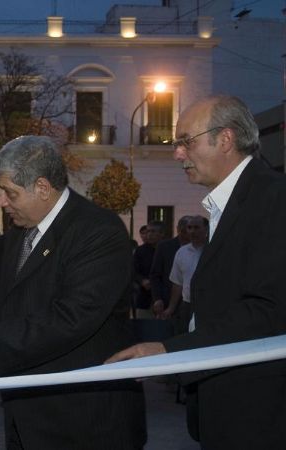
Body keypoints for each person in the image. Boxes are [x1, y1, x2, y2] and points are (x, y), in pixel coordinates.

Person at [109, 95, 286, 449]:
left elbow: (269, 310)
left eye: (186, 142)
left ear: (225, 139)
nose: (177, 154)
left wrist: (170, 350)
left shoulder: (273, 198)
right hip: (224, 402)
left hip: (257, 409)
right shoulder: (231, 203)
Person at [0, 136, 146, 450]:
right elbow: (6, 312)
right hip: (23, 418)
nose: (1, 201)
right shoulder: (7, 244)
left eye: (9, 192)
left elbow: (74, 316)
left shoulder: (98, 231)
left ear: (42, 187)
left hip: (85, 421)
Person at [158, 216, 208, 335]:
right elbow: (178, 283)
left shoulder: (213, 250)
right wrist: (171, 308)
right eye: (189, 228)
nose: (192, 231)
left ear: (206, 229)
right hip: (187, 305)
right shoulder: (182, 252)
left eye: (196, 227)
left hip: (208, 304)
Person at [149, 215, 191, 316]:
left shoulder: (198, 248)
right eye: (182, 230)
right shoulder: (165, 246)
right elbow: (155, 274)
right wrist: (157, 298)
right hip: (168, 298)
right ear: (178, 229)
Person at [132, 221, 163, 317]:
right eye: (148, 231)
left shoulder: (168, 249)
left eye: (153, 231)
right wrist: (142, 280)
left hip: (164, 298)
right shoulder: (140, 251)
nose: (149, 235)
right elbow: (133, 270)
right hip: (145, 297)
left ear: (162, 234)